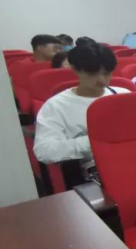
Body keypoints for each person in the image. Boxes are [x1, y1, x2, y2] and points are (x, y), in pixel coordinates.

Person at [33, 43, 130, 185]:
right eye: (92, 74)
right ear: (75, 69)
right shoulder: (57, 106)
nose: (102, 80)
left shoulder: (123, 95)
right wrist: (94, 142)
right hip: (95, 169)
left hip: (133, 158)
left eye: (107, 73)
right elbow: (44, 151)